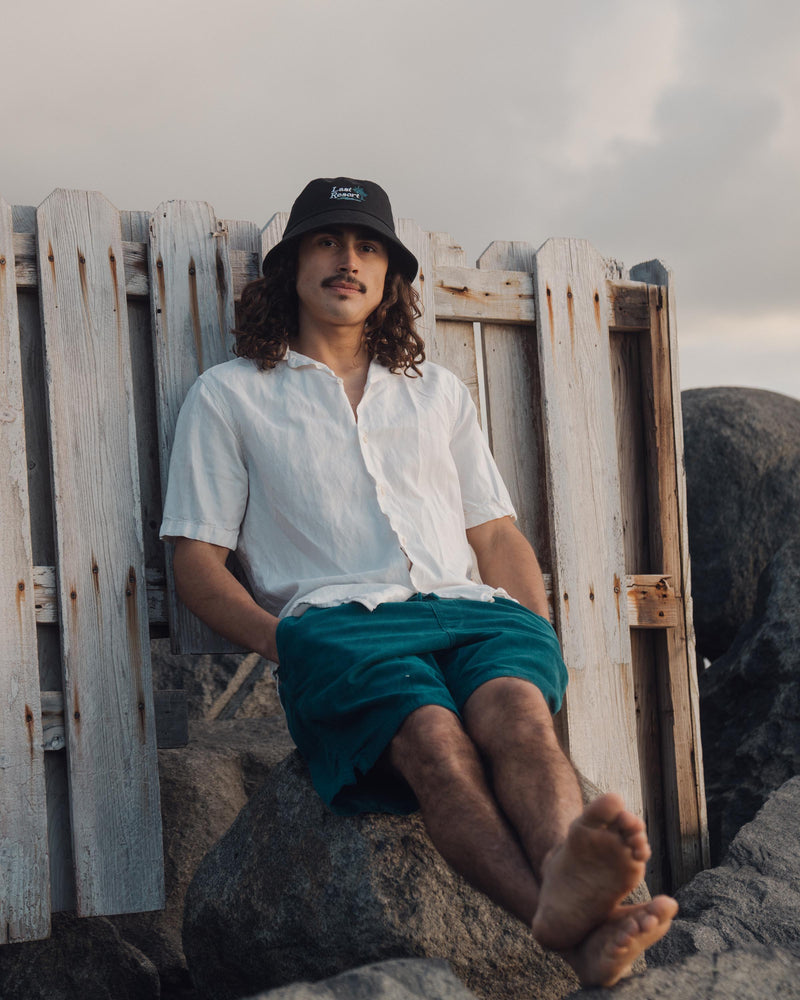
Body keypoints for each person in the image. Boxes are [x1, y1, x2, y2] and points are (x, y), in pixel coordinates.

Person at [160, 176, 677, 987]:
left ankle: (574, 914)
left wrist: (533, 628)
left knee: (518, 714)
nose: (348, 260)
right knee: (433, 739)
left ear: (388, 278)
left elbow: (495, 533)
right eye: (329, 241)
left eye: (368, 247)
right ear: (292, 264)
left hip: (472, 611)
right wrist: (287, 642)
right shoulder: (229, 397)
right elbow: (195, 562)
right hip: (340, 624)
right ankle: (572, 925)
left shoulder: (437, 395)